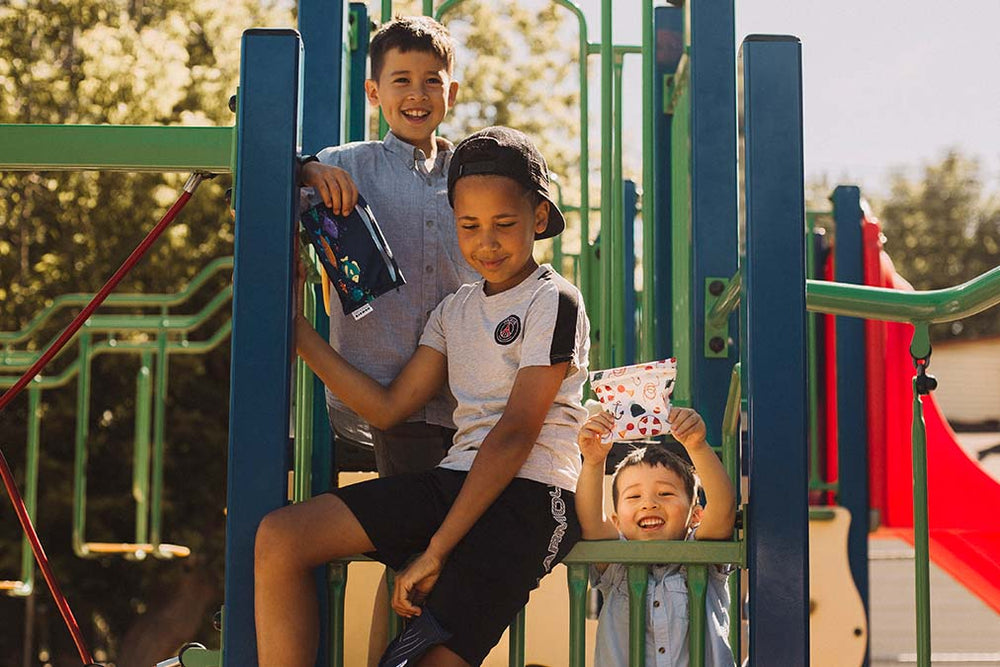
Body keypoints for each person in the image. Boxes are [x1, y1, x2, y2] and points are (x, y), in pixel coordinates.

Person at [257, 126, 590, 667]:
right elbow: (388, 408)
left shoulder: (554, 300)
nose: (486, 242)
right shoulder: (454, 310)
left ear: (539, 218)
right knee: (281, 536)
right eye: (469, 226)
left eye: (505, 224)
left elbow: (513, 436)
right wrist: (300, 334)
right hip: (458, 481)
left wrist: (437, 551)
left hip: (531, 498)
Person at [299, 14, 477, 478]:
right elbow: (255, 194)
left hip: (466, 395)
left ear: (450, 94)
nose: (417, 94)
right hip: (373, 390)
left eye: (431, 82)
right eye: (402, 80)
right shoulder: (344, 166)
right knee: (421, 503)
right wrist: (305, 170)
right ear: (374, 93)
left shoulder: (472, 173)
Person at [576, 408, 737, 667]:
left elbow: (723, 509)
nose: (649, 504)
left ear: (696, 515)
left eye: (665, 494)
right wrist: (593, 462)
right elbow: (591, 522)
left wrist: (697, 446)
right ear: (616, 521)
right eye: (633, 496)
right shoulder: (616, 567)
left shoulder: (703, 558)